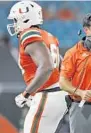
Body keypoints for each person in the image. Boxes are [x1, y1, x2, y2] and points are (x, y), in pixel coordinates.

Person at [7, 1, 68, 133]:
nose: (14, 23)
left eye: (16, 19)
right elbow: (62, 65)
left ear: (25, 18)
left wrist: (26, 94)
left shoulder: (29, 34)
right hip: (56, 93)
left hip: (48, 94)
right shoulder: (47, 35)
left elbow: (47, 67)